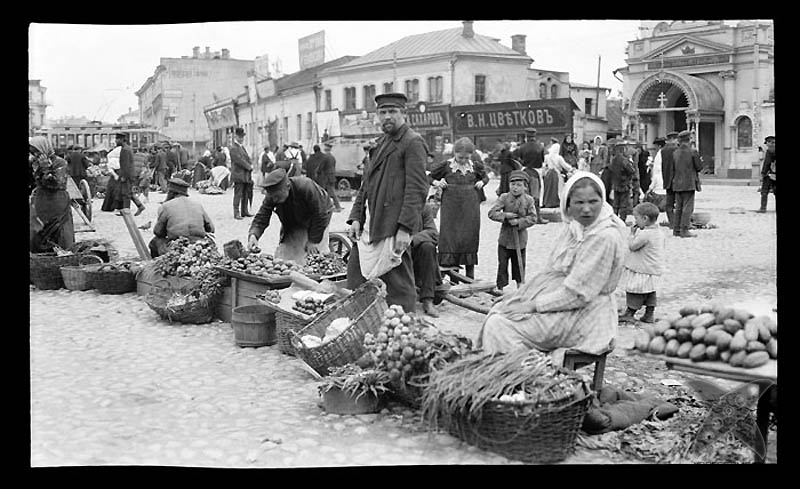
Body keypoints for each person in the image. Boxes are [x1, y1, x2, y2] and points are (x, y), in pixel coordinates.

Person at [476, 171, 628, 366]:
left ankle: (522, 377)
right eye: (579, 203)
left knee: (501, 325)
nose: (587, 209)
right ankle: (516, 372)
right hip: (566, 304)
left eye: (593, 201)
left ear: (603, 200)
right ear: (568, 205)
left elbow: (578, 294)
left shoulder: (603, 237)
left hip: (584, 315)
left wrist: (532, 305)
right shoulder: (577, 226)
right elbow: (552, 270)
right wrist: (524, 295)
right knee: (501, 309)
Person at [346, 92, 429, 313]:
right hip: (371, 224)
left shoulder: (412, 142)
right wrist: (356, 217)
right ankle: (362, 324)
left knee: (399, 285)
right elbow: (365, 185)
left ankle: (405, 329)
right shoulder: (380, 143)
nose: (387, 117)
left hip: (393, 226)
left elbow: (417, 189)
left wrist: (405, 228)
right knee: (356, 278)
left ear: (404, 114)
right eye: (382, 112)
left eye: (392, 112)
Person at [429, 137, 489, 280]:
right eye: (460, 157)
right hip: (451, 205)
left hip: (470, 205)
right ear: (454, 153)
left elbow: (485, 177)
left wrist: (482, 182)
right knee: (450, 236)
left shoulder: (475, 166)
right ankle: (453, 277)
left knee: (469, 235)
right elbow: (429, 177)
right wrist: (438, 182)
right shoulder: (446, 166)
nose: (462, 160)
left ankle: (470, 276)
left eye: (466, 157)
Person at [247, 168, 333, 265]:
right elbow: (262, 216)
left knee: (315, 257)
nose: (275, 200)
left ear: (287, 187)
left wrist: (313, 240)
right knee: (285, 258)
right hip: (293, 221)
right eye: (273, 197)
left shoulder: (306, 186)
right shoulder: (272, 195)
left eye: (278, 196)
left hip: (319, 217)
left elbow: (321, 214)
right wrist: (254, 235)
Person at [488, 170, 537, 292]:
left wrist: (520, 222)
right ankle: (500, 287)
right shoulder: (504, 197)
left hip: (520, 240)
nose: (515, 188)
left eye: (519, 185)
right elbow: (492, 213)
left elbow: (533, 218)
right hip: (505, 239)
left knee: (519, 264)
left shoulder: (529, 200)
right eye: (512, 184)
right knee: (502, 264)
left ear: (525, 187)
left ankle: (520, 285)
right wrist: (505, 215)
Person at [618, 202, 665, 324]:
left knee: (635, 290)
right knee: (650, 292)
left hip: (642, 268)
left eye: (636, 218)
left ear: (645, 219)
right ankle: (649, 314)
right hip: (653, 268)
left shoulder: (645, 234)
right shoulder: (659, 232)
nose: (635, 221)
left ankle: (630, 312)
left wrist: (632, 234)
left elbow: (632, 246)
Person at [148, 178, 215, 258]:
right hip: (199, 245)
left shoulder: (166, 206)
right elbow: (211, 229)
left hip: (177, 245)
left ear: (171, 193)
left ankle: (157, 265)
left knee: (154, 242)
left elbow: (158, 232)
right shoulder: (197, 205)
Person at [29, 136, 74, 252]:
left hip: (57, 201)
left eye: (36, 150)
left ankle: (62, 255)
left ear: (43, 148)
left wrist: (46, 169)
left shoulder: (60, 162)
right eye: (32, 151)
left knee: (60, 231)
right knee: (38, 230)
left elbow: (57, 183)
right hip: (42, 202)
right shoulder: (35, 163)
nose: (35, 154)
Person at [411, 204, 446, 318]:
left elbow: (433, 233)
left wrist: (411, 240)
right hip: (395, 256)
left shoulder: (423, 207)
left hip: (416, 258)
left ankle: (427, 300)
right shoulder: (393, 206)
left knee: (428, 247)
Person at [669, 130, 703, 238]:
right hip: (688, 183)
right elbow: (699, 167)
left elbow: (672, 169)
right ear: (689, 139)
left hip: (677, 183)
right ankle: (684, 230)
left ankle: (676, 229)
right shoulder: (693, 152)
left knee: (678, 207)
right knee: (687, 208)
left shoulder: (675, 153)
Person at [513, 127, 545, 223]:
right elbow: (542, 160)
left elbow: (514, 157)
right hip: (536, 172)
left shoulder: (522, 147)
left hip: (525, 172)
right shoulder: (540, 146)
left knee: (524, 195)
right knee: (536, 196)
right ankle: (537, 217)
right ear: (535, 136)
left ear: (526, 136)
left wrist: (521, 163)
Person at [606, 140, 636, 222]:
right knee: (623, 204)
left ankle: (614, 219)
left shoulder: (613, 160)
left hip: (616, 184)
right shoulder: (624, 160)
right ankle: (622, 220)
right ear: (623, 149)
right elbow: (632, 170)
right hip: (624, 184)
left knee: (615, 204)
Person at [541, 138, 574, 209]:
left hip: (549, 173)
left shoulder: (547, 157)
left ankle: (546, 202)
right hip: (556, 174)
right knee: (558, 189)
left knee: (548, 188)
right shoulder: (559, 158)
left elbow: (543, 165)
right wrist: (572, 169)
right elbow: (565, 166)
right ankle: (555, 202)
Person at [230, 127, 254, 220]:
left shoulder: (242, 147)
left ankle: (244, 211)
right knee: (238, 194)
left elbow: (246, 158)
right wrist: (248, 166)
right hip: (238, 174)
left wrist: (250, 163)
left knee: (245, 194)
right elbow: (238, 160)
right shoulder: (234, 148)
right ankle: (236, 212)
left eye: (242, 137)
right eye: (240, 137)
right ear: (235, 136)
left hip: (245, 175)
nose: (241, 138)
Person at [660, 131, 680, 229]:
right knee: (679, 202)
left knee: (669, 203)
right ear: (673, 139)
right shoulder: (676, 149)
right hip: (677, 179)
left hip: (667, 178)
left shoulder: (663, 150)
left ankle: (671, 221)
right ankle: (677, 222)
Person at [645, 137, 668, 217]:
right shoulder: (661, 153)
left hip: (659, 178)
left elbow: (659, 168)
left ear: (659, 145)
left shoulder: (660, 154)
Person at [319, 141, 343, 212]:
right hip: (332, 176)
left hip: (327, 177)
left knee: (330, 192)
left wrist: (318, 172)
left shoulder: (325, 157)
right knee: (329, 192)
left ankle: (337, 207)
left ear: (326, 149)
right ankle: (330, 206)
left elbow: (321, 167)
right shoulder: (332, 157)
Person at [756, 136, 776, 213]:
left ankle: (763, 208)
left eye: (767, 143)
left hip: (769, 174)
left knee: (764, 191)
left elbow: (767, 163)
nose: (767, 145)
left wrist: (763, 174)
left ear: (770, 142)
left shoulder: (770, 150)